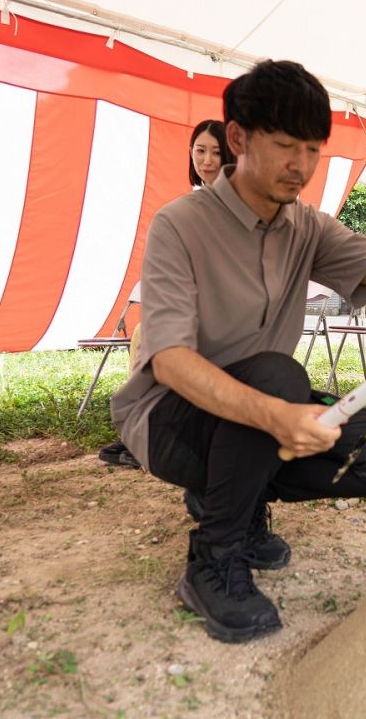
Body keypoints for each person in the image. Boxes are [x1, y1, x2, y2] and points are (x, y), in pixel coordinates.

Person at [110, 60, 366, 643]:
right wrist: (280, 416)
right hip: (169, 421)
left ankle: (233, 492)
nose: (301, 166)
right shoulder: (180, 225)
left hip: (258, 409)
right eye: (285, 145)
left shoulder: (305, 226)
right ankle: (213, 556)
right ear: (237, 138)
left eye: (312, 149)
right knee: (277, 378)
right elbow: (170, 360)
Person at [97, 119, 236, 470]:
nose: (206, 160)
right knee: (146, 333)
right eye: (200, 151)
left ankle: (153, 436)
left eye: (216, 152)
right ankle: (142, 432)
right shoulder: (193, 203)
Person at [189, 119, 234, 189]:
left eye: (217, 153)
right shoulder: (194, 198)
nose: (207, 162)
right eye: (201, 150)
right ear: (191, 152)